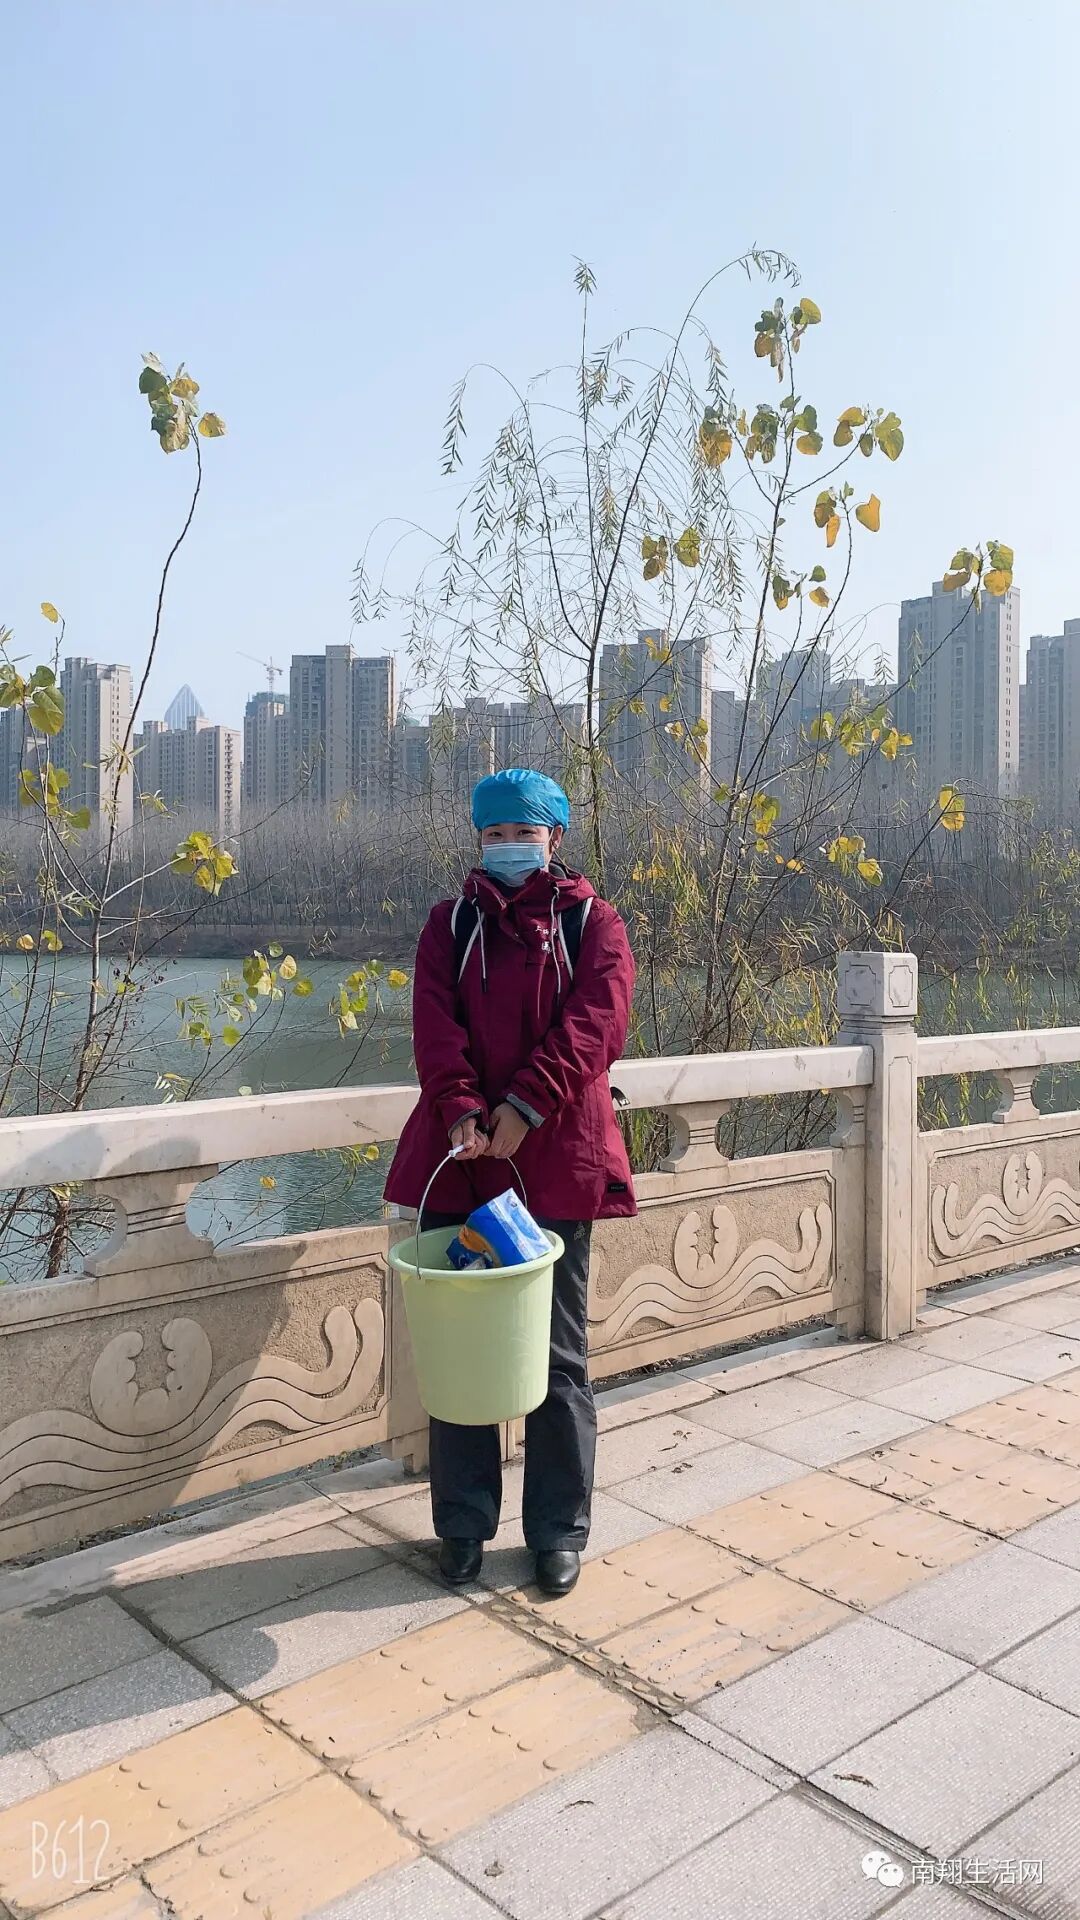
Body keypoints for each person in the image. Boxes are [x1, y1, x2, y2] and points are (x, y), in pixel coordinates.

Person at [384, 767, 636, 1597]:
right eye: (494, 835)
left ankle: (558, 1529)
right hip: (464, 1165)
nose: (509, 847)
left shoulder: (595, 924)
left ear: (554, 837)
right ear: (479, 839)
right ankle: (462, 1526)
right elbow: (434, 1026)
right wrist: (461, 1109)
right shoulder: (449, 925)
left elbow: (596, 1026)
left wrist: (526, 1106)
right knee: (460, 1354)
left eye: (523, 833)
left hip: (554, 1164)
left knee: (556, 1353)